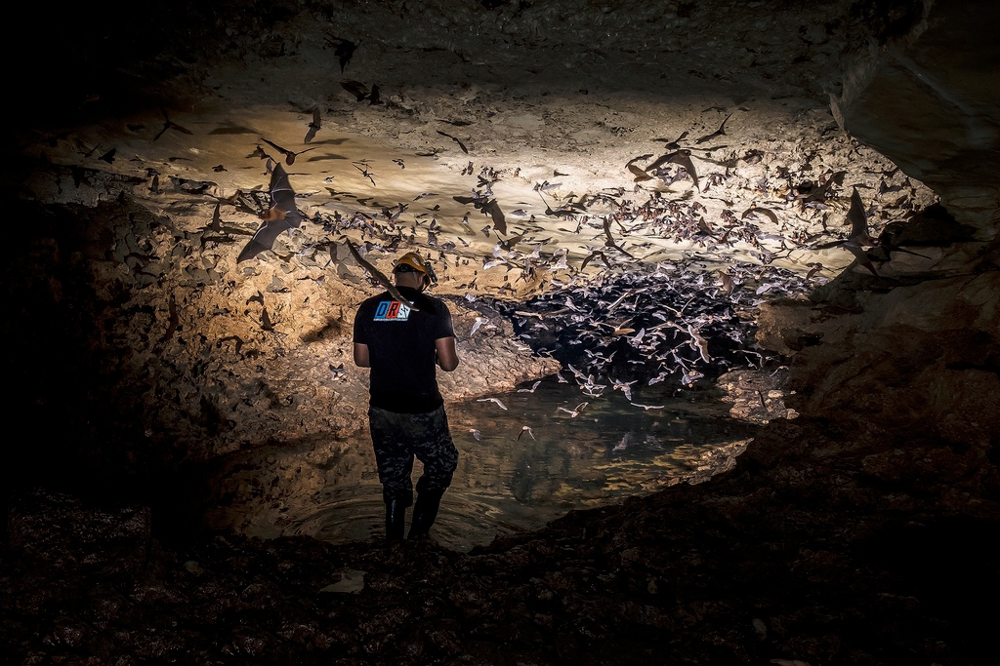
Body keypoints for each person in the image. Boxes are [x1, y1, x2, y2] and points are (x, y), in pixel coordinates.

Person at [352, 251, 460, 541]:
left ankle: (393, 546)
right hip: (422, 408)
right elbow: (449, 364)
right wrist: (433, 356)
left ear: (396, 275)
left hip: (383, 408)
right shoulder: (434, 308)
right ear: (422, 277)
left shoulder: (368, 307)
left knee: (394, 476)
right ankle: (417, 540)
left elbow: (362, 360)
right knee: (441, 465)